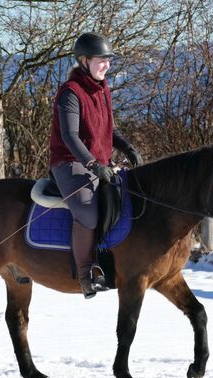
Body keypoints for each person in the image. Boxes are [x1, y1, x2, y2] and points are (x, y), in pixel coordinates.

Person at [48, 31, 143, 299]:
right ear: (84, 60)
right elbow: (70, 136)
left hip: (99, 163)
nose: (107, 65)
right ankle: (86, 275)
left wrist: (128, 147)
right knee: (88, 210)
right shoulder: (70, 92)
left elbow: (108, 129)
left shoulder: (102, 89)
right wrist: (92, 164)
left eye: (108, 60)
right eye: (101, 60)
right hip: (69, 163)